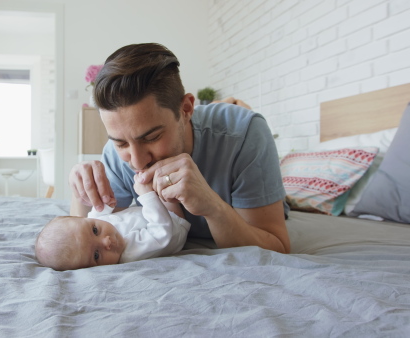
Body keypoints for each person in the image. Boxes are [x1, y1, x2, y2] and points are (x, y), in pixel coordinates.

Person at [69, 43, 290, 254]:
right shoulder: (114, 156)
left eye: (152, 137)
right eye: (121, 143)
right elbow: (90, 239)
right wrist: (82, 194)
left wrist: (212, 206)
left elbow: (277, 246)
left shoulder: (245, 133)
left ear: (186, 109)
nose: (136, 162)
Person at [35, 173, 191, 271]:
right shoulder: (131, 252)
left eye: (95, 230)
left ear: (82, 219)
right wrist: (147, 195)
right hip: (173, 221)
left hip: (146, 214)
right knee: (163, 180)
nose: (106, 242)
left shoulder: (91, 222)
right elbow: (162, 231)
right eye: (96, 255)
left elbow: (97, 212)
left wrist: (106, 201)